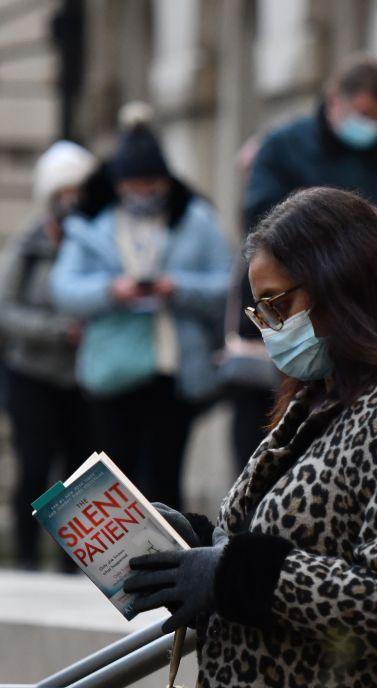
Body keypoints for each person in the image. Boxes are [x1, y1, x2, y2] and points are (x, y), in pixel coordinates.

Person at [123, 187, 377, 687]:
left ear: (344, 285)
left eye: (278, 304)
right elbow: (300, 544)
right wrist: (199, 546)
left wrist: (233, 575)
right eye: (259, 312)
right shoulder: (318, 399)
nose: (269, 328)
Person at [228, 56, 377, 469]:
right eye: (363, 113)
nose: (369, 124)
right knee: (270, 432)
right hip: (297, 308)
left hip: (364, 318)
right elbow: (261, 223)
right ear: (336, 101)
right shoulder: (284, 147)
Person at [50, 113, 232, 511]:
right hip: (111, 371)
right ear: (118, 185)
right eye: (135, 185)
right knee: (116, 480)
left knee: (166, 477)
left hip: (175, 368)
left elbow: (229, 283)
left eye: (152, 184)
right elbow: (64, 289)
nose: (144, 193)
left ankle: (169, 567)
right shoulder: (91, 225)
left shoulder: (196, 219)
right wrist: (111, 291)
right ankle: (117, 568)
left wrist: (178, 288)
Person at [0, 141, 96, 571]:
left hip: (83, 379)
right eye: (62, 194)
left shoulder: (96, 241)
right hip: (33, 375)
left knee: (78, 478)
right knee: (34, 471)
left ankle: (72, 564)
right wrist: (55, 331)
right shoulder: (27, 247)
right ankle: (25, 559)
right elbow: (6, 310)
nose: (69, 204)